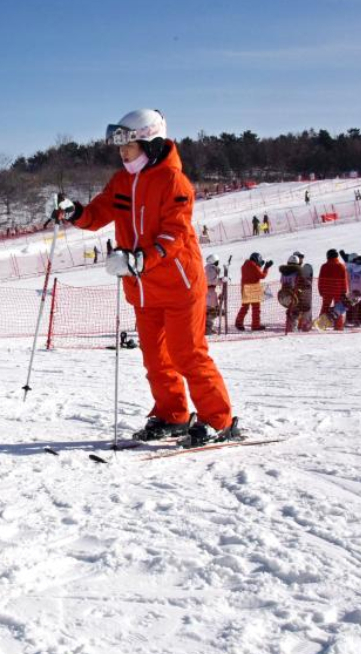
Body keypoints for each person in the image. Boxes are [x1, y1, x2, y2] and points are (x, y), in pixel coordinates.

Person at [56, 108, 237, 447]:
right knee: (155, 358)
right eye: (120, 147)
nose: (123, 153)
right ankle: (173, 415)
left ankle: (218, 420)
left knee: (188, 354)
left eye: (131, 146)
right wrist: (76, 213)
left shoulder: (174, 182)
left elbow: (175, 234)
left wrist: (139, 259)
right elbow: (98, 214)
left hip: (179, 284)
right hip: (142, 289)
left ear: (150, 144)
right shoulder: (122, 180)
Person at [234, 252, 272, 331]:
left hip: (245, 288)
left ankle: (239, 322)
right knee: (256, 308)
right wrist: (266, 268)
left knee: (245, 307)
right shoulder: (254, 266)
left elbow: (253, 272)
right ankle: (255, 325)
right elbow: (262, 276)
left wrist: (259, 266)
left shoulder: (244, 265)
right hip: (253, 289)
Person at [279, 252, 314, 332]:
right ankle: (293, 328)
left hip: (285, 294)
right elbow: (300, 283)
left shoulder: (283, 272)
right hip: (294, 294)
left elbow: (282, 282)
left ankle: (289, 326)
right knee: (296, 311)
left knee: (290, 310)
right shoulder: (297, 272)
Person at [317, 249, 348, 330]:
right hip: (338, 291)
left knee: (325, 307)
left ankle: (321, 325)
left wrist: (321, 290)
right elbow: (344, 280)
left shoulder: (324, 266)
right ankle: (338, 326)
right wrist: (344, 291)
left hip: (326, 291)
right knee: (338, 308)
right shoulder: (341, 266)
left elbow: (321, 280)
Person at [344, 254, 361, 326]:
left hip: (351, 289)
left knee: (351, 305)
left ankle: (349, 319)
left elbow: (348, 279)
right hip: (360, 290)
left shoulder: (350, 269)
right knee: (359, 306)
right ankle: (358, 320)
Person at [204, 254, 221, 335]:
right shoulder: (210, 269)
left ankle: (208, 328)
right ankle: (207, 329)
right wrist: (221, 280)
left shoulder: (209, 268)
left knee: (210, 311)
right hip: (209, 293)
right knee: (211, 311)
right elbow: (211, 281)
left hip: (210, 292)